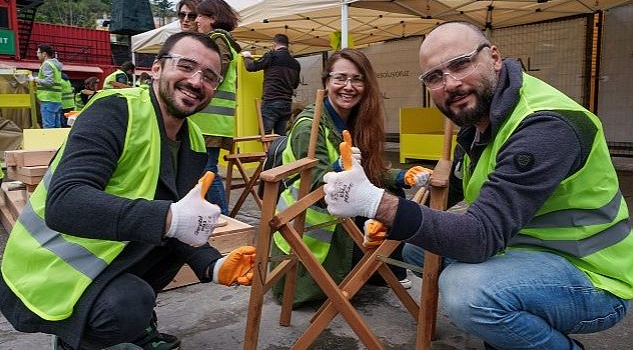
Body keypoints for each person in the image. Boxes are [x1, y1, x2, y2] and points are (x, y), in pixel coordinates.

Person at [322, 21, 632, 350]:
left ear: (494, 57)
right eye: (435, 77)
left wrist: (375, 203)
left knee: (466, 291)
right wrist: (397, 214)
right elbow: (455, 183)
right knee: (417, 249)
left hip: (593, 277)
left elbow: (478, 237)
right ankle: (507, 332)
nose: (451, 83)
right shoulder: (481, 120)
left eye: (461, 63)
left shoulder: (544, 126)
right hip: (526, 251)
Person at [0, 31, 256, 350]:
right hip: (49, 269)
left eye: (209, 76)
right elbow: (65, 203)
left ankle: (131, 328)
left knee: (165, 237)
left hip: (106, 255)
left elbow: (181, 222)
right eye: (186, 66)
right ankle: (74, 339)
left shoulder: (193, 139)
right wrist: (169, 218)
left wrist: (212, 263)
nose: (196, 80)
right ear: (157, 69)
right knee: (129, 303)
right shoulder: (114, 111)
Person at [272, 48, 430, 306]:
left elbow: (368, 172)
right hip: (310, 240)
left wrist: (403, 175)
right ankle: (382, 269)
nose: (349, 86)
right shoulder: (308, 127)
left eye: (357, 79)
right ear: (326, 82)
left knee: (396, 194)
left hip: (340, 224)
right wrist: (339, 168)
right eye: (340, 78)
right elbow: (315, 189)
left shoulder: (356, 121)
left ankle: (380, 270)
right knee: (389, 205)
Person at [191, 0, 242, 215]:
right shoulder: (227, 39)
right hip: (215, 120)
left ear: (212, 18)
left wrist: (201, 84)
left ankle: (223, 215)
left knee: (207, 169)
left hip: (209, 119)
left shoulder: (217, 38)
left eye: (200, 16)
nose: (197, 21)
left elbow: (218, 65)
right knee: (205, 168)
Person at [242, 34, 301, 135]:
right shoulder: (295, 63)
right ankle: (277, 151)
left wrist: (247, 57)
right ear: (288, 45)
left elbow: (251, 67)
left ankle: (268, 151)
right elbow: (295, 85)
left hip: (271, 101)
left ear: (273, 44)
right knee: (281, 136)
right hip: (286, 103)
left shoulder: (272, 56)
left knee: (265, 135)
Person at [30, 44, 63, 128]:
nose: (37, 55)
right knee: (56, 127)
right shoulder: (55, 65)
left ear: (44, 54)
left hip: (47, 99)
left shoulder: (46, 64)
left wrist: (35, 79)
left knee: (48, 127)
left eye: (38, 52)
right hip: (56, 99)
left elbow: (49, 82)